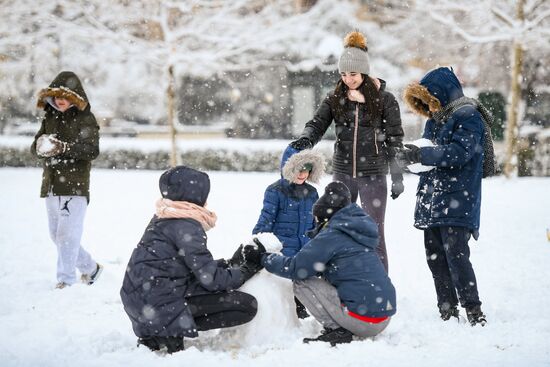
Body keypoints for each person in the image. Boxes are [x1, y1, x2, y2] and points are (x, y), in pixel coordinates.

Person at [289, 30, 404, 272]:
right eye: (343, 74)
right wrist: (306, 139)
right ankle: (344, 280)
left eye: (352, 74)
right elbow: (317, 123)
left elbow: (395, 138)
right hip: (343, 173)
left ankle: (379, 287)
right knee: (337, 228)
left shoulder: (385, 100)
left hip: (372, 174)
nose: (348, 79)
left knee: (373, 231)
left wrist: (397, 176)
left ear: (363, 71)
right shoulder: (335, 97)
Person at [120, 165, 265, 354]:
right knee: (247, 306)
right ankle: (167, 332)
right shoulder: (187, 225)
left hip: (140, 304)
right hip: (160, 305)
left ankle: (159, 332)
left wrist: (230, 263)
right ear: (195, 194)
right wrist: (248, 270)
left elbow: (184, 267)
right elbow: (211, 280)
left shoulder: (164, 215)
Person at [398, 66, 487, 326]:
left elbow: (460, 152)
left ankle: (473, 309)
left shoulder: (468, 116)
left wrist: (422, 155)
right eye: (426, 104)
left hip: (458, 196)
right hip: (432, 197)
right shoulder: (434, 120)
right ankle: (446, 309)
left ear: (442, 95)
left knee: (457, 255)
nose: (431, 108)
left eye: (432, 102)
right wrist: (409, 159)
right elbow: (429, 155)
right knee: (435, 256)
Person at [259, 182, 396, 345]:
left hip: (365, 322)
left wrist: (263, 258)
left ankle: (336, 329)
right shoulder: (355, 230)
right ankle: (347, 321)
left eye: (316, 220)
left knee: (302, 280)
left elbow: (297, 268)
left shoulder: (332, 235)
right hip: (383, 317)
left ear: (324, 218)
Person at [30, 71, 102, 289]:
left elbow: (92, 150)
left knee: (67, 234)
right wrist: (41, 147)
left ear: (75, 97)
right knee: (56, 234)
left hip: (75, 184)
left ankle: (66, 280)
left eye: (65, 96)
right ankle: (91, 268)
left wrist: (64, 148)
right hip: (51, 183)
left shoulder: (85, 118)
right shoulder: (49, 117)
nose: (60, 100)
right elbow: (35, 147)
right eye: (56, 96)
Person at [252, 146, 325, 318]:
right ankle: (288, 311)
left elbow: (315, 223)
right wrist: (257, 240)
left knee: (305, 282)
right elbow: (266, 218)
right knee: (286, 284)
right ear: (288, 167)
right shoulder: (275, 191)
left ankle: (303, 307)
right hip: (284, 249)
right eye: (298, 169)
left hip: (305, 248)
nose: (302, 174)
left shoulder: (312, 193)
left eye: (307, 169)